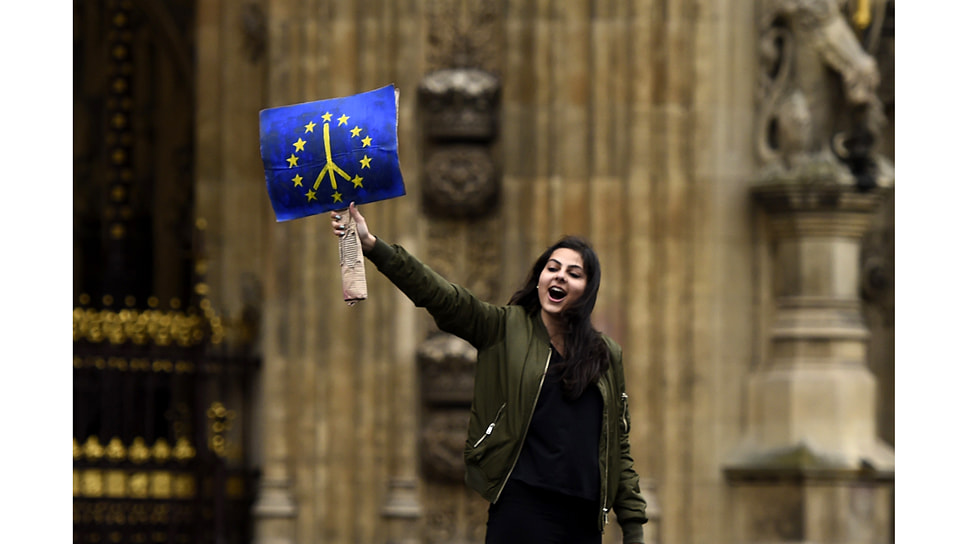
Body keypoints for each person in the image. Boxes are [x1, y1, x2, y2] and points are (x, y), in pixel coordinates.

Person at [331, 202, 648, 544]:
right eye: (552, 268)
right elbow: (442, 296)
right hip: (522, 509)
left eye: (574, 273)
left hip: (583, 521)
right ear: (539, 278)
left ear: (587, 290)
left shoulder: (605, 355)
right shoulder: (503, 327)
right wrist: (374, 246)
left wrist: (633, 525)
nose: (559, 276)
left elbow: (618, 444)